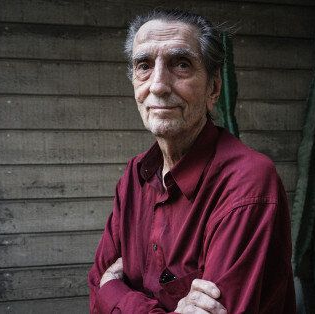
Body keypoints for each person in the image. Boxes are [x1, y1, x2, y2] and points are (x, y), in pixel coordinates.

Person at [87, 9, 295, 313]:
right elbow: (95, 287)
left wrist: (116, 295)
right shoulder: (135, 175)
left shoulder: (247, 181)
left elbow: (105, 290)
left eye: (181, 64)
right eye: (144, 65)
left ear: (213, 88)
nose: (157, 85)